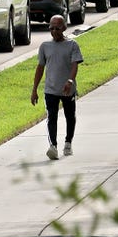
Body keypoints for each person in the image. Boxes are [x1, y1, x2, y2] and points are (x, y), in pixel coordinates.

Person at [30, 14, 83, 160]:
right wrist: (34, 90)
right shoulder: (45, 47)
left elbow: (74, 65)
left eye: (57, 28)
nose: (54, 31)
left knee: (69, 117)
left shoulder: (72, 45)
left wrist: (70, 81)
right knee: (51, 117)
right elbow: (40, 68)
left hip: (68, 89)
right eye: (51, 28)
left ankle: (68, 143)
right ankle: (53, 146)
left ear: (64, 28)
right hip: (50, 90)